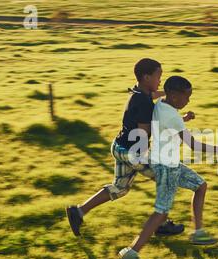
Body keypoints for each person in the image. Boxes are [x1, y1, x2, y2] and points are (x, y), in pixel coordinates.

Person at [119, 76, 218, 259]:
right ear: (174, 96)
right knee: (161, 213)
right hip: (166, 167)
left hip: (168, 162)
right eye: (187, 97)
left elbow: (166, 125)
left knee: (200, 185)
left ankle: (198, 232)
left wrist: (184, 119)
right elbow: (193, 144)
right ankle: (131, 252)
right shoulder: (171, 114)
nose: (188, 101)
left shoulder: (161, 105)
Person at [66, 59, 191, 237]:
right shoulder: (144, 103)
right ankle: (161, 225)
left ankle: (77, 212)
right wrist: (178, 123)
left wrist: (171, 94)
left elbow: (153, 96)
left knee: (119, 188)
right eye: (158, 76)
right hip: (134, 152)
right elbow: (145, 133)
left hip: (119, 146)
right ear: (147, 77)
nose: (160, 80)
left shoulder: (139, 91)